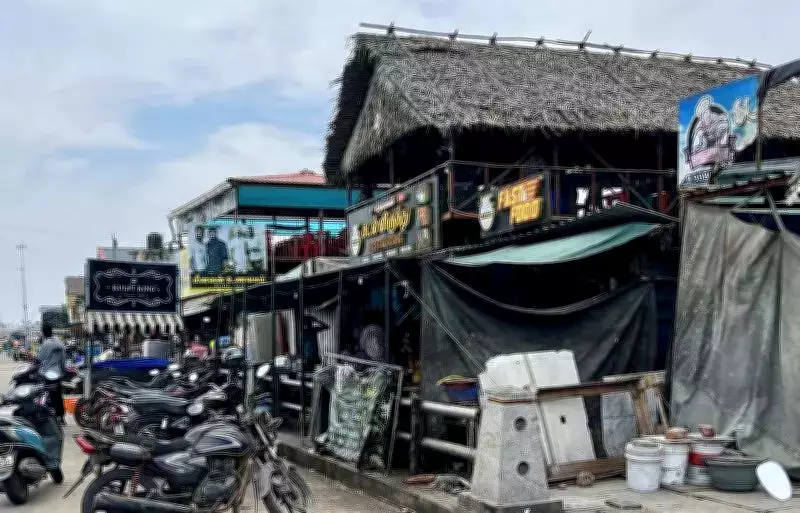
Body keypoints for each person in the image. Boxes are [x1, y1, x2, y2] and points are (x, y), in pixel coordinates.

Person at [37, 324, 67, 425]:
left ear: (43, 333)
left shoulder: (45, 344)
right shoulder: (59, 343)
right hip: (57, 373)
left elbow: (39, 359)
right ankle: (61, 418)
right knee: (58, 395)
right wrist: (63, 371)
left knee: (48, 395)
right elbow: (63, 359)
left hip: (47, 373)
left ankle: (51, 417)